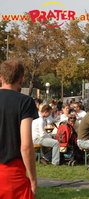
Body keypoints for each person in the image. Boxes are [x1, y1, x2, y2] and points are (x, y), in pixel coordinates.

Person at [0, 59, 38, 198]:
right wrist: (33, 180)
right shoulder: (25, 102)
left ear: (0, 77)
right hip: (11, 173)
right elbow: (26, 146)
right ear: (21, 79)